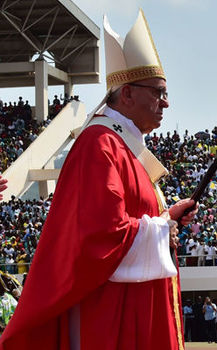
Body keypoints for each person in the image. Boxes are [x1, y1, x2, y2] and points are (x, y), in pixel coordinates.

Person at [0, 11, 197, 350]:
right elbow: (101, 235)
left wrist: (168, 219)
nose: (166, 103)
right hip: (110, 316)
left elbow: (132, 223)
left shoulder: (126, 147)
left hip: (131, 306)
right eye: (158, 92)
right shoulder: (100, 144)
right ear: (128, 94)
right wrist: (161, 230)